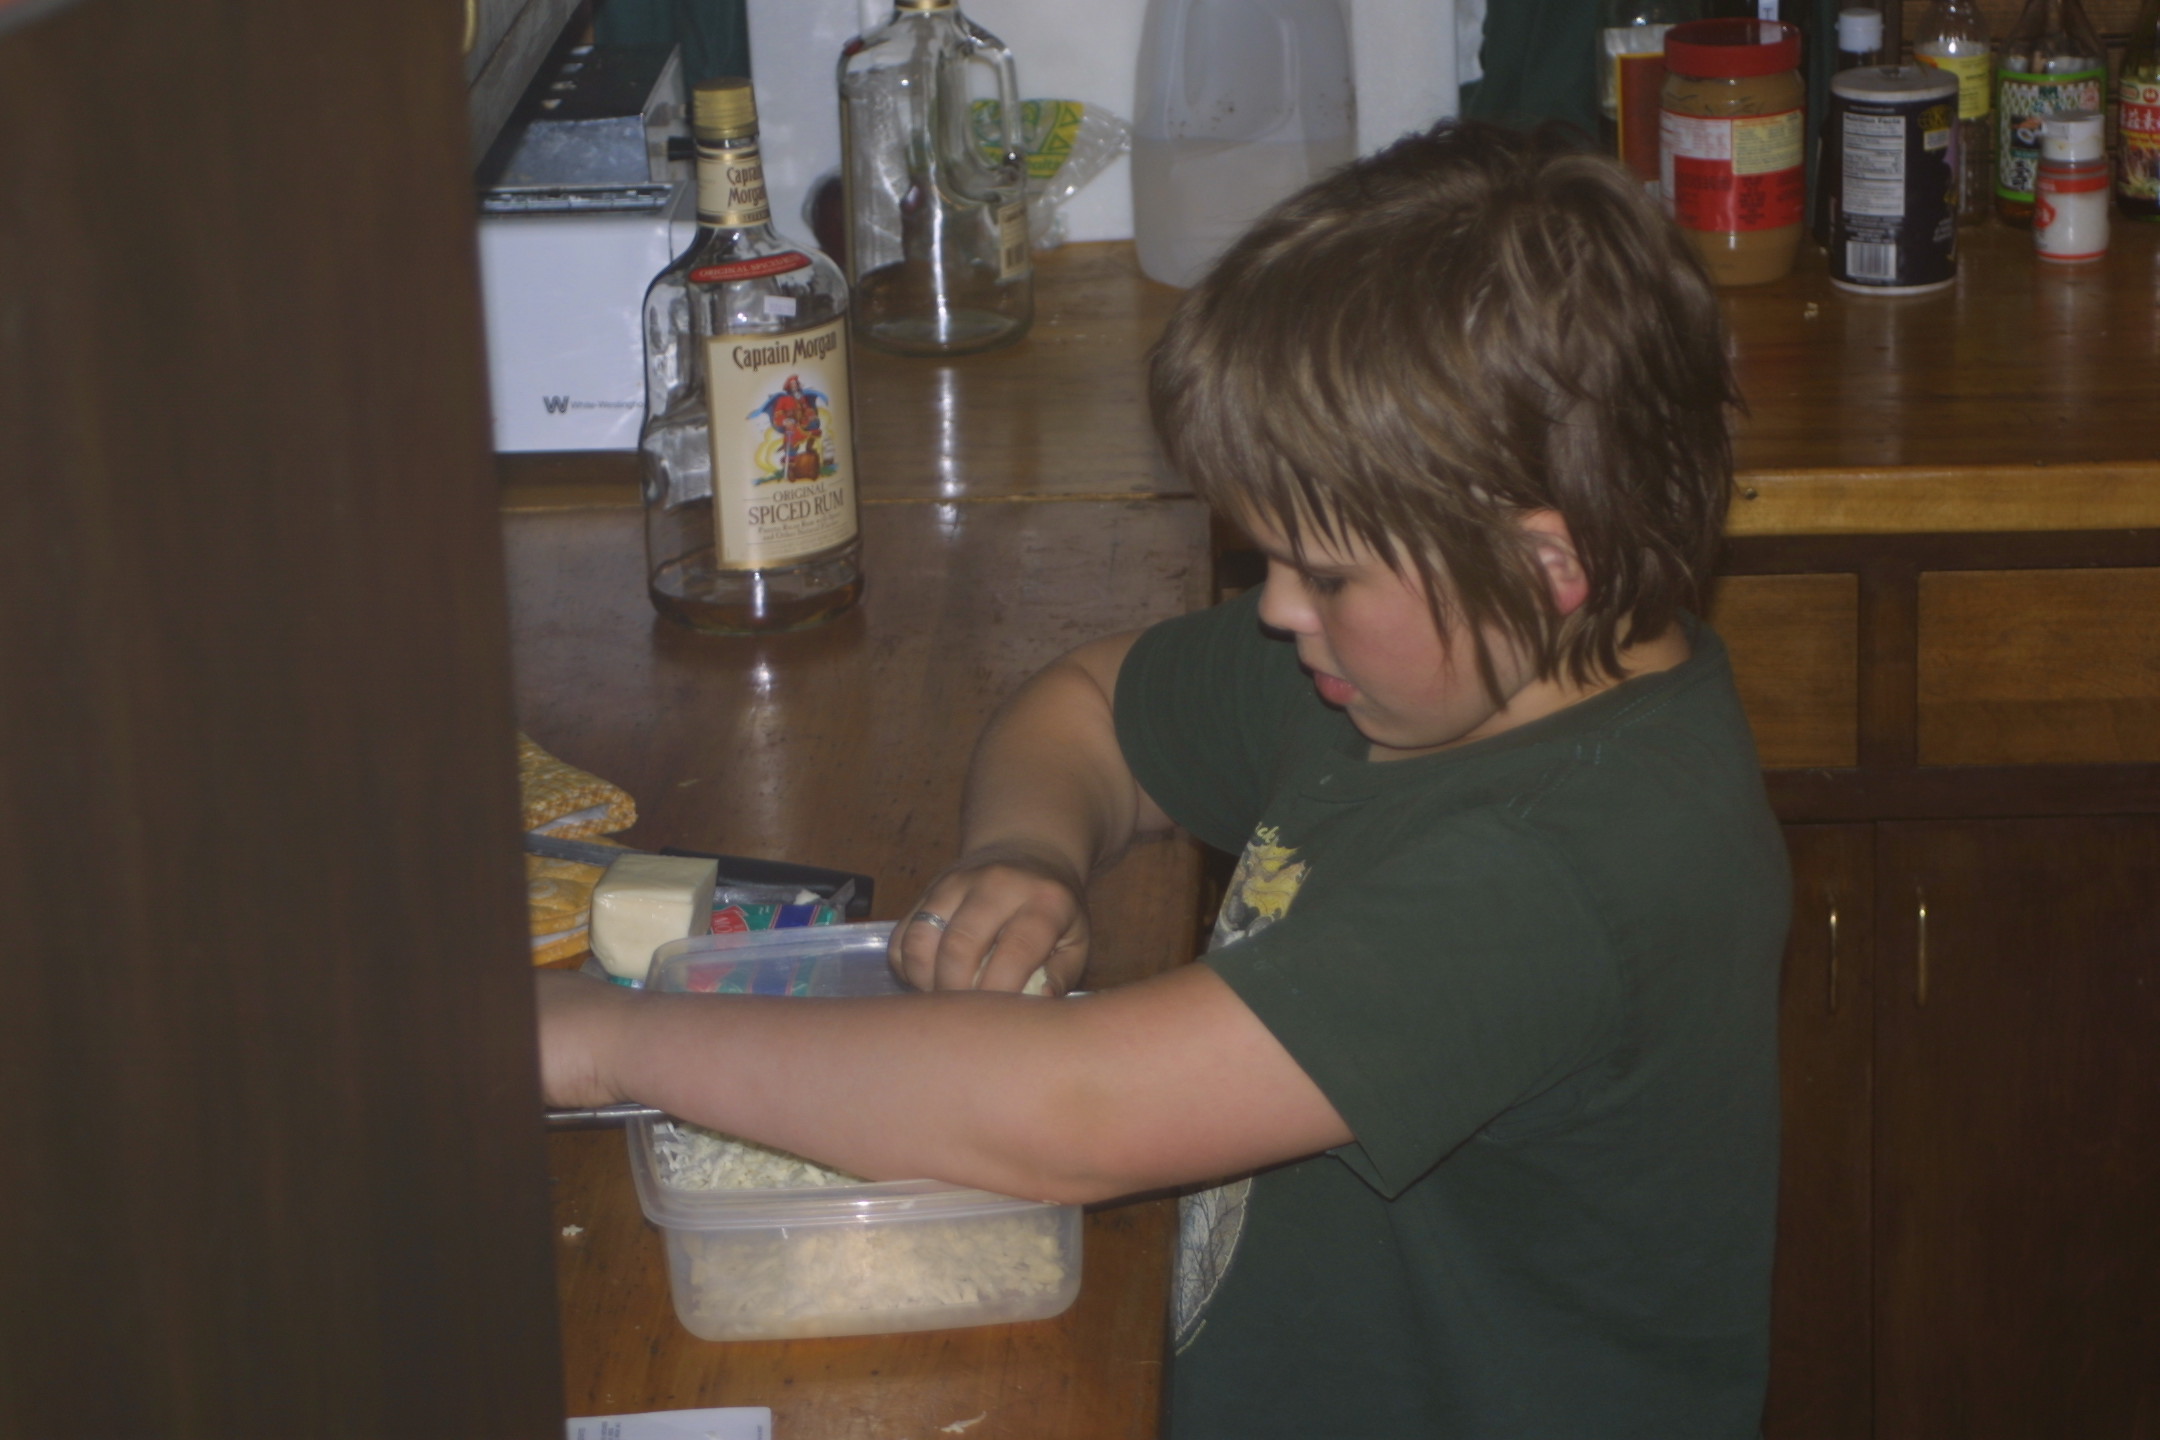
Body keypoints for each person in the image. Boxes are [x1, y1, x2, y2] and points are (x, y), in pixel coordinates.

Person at [539, 121, 1792, 1438]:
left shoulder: (1560, 871)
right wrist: (1027, 852)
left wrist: (609, 1043)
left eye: (1325, 574)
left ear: (1546, 569)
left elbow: (1077, 1111)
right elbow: (1090, 707)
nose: (1279, 612)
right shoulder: (1425, 669)